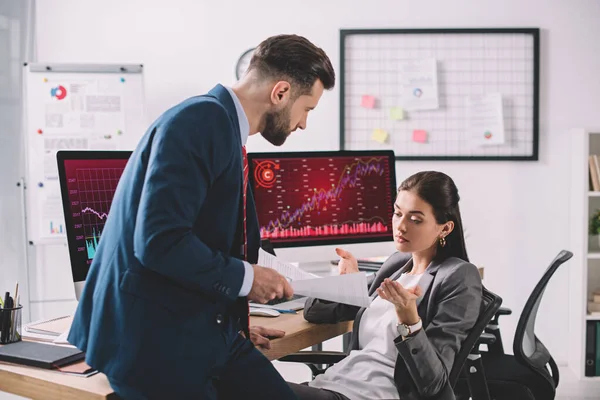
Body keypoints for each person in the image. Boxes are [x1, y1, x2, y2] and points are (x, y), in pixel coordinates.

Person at [67, 34, 335, 400]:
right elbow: (160, 242)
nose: (303, 124)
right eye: (308, 109)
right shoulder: (200, 121)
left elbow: (205, 238)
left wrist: (234, 324)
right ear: (281, 92)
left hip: (207, 330)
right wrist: (248, 278)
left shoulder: (223, 127)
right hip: (152, 342)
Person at [288, 171, 483, 400]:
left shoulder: (458, 277)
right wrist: (348, 283)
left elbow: (434, 383)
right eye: (397, 213)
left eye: (415, 219)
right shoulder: (397, 264)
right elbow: (314, 312)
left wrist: (410, 322)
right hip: (336, 383)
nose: (400, 226)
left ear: (445, 228)